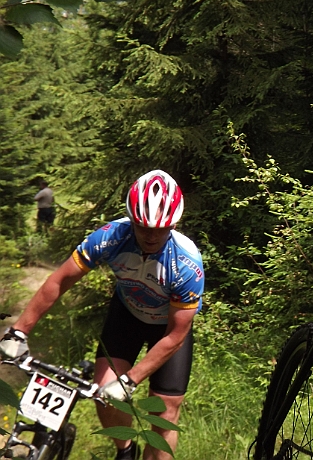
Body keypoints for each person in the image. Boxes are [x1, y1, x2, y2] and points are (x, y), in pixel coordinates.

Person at [0, 170, 204, 460]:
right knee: (104, 393)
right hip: (127, 315)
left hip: (167, 331)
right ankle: (126, 452)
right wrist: (19, 331)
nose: (151, 235)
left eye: (160, 229)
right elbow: (60, 281)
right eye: (142, 226)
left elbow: (176, 335)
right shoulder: (110, 237)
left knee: (165, 412)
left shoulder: (186, 263)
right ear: (131, 220)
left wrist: (130, 381)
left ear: (173, 224)